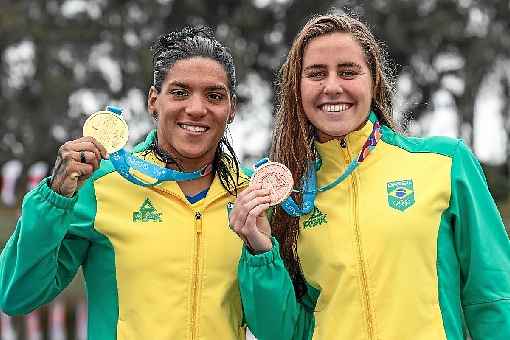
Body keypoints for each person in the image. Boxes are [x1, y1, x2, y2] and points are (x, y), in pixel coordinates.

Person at [229, 13, 510, 340]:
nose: (332, 87)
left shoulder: (444, 163)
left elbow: (492, 296)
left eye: (348, 72)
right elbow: (286, 332)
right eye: (316, 73)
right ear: (297, 87)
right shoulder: (286, 200)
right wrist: (261, 252)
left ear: (374, 80)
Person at [0, 26, 252, 339]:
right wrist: (53, 199)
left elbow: (280, 323)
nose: (197, 108)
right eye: (179, 92)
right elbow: (16, 294)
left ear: (231, 110)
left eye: (214, 96)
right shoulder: (101, 185)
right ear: (153, 101)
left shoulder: (252, 197)